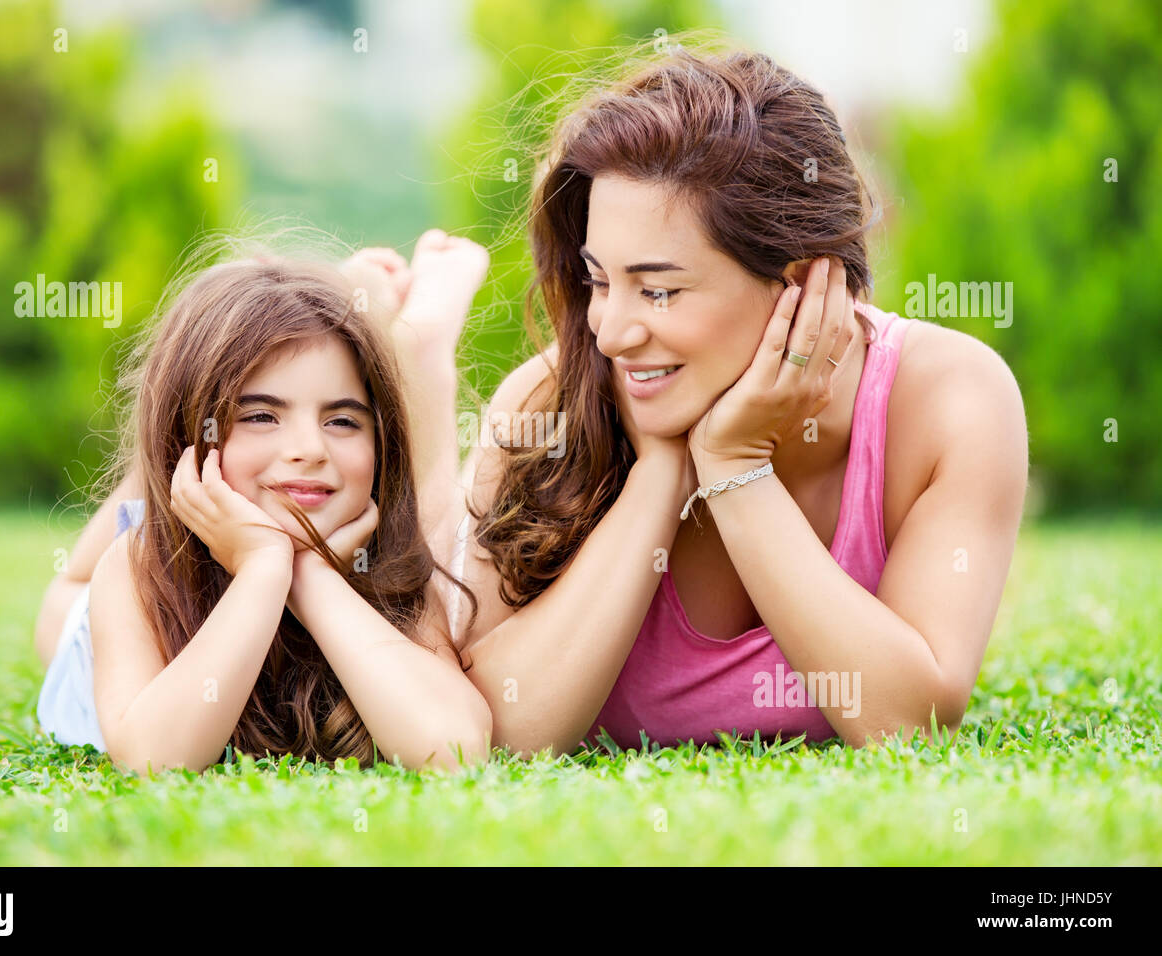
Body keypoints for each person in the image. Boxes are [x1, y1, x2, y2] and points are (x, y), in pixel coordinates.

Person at [423, 45, 1029, 756]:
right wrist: (661, 470)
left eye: (660, 290)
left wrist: (736, 466)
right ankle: (419, 354)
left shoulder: (949, 402)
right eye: (599, 280)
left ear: (802, 284)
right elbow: (501, 730)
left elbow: (907, 727)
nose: (612, 333)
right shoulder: (549, 402)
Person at [33, 238, 492, 774]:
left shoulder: (388, 566)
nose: (310, 450)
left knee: (428, 521)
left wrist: (309, 574)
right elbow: (156, 762)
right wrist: (262, 567)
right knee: (82, 573)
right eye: (260, 415)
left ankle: (420, 353)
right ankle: (387, 341)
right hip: (96, 612)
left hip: (277, 507)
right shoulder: (135, 568)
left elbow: (454, 750)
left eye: (342, 420)